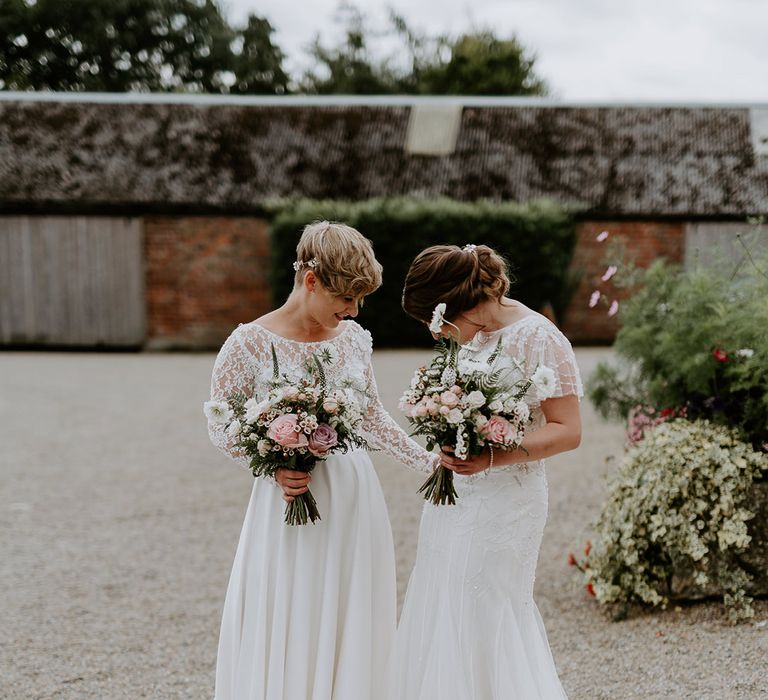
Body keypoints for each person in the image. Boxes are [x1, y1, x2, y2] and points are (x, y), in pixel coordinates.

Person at [206, 222, 438, 700]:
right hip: (287, 495)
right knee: (292, 602)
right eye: (346, 298)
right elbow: (220, 422)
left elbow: (371, 415)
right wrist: (272, 466)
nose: (353, 311)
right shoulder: (249, 342)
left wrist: (429, 462)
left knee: (349, 606)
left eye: (359, 301)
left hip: (352, 492)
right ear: (310, 280)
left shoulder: (353, 339)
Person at [393, 243, 582, 700]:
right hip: (455, 496)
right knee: (443, 601)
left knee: (486, 608)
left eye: (434, 320)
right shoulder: (470, 336)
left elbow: (568, 430)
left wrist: (495, 456)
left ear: (457, 303)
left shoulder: (540, 337)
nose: (435, 332)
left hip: (508, 500)